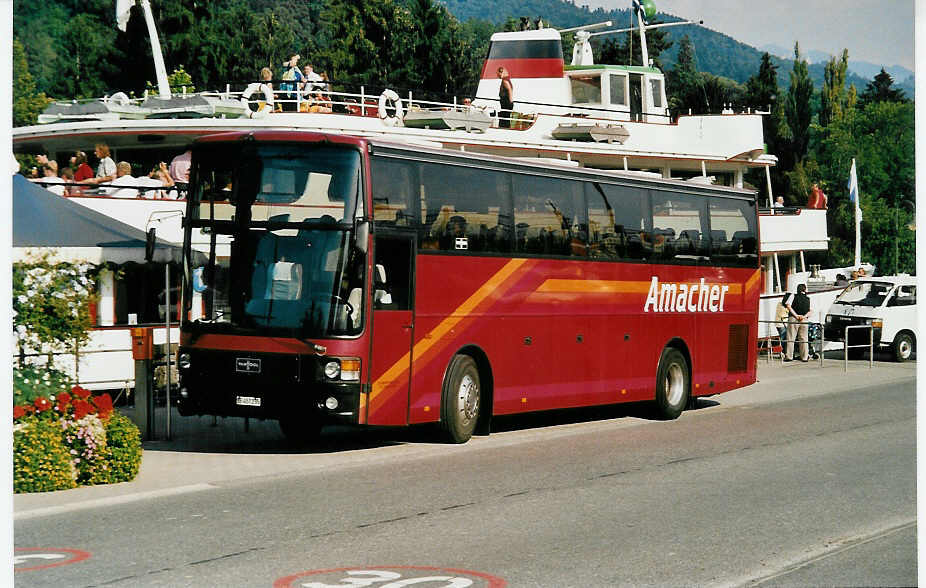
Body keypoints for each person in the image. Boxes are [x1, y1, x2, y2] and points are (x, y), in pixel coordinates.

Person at [784, 283, 811, 362]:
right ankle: (805, 357)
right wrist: (804, 316)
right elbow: (811, 311)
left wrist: (796, 315)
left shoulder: (793, 296)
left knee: (791, 338)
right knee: (804, 338)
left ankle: (789, 356)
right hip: (804, 319)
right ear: (805, 289)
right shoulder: (808, 298)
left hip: (793, 319)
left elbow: (788, 305)